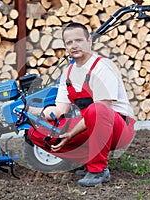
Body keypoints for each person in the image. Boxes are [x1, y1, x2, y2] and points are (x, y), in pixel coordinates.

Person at [26, 22, 135, 187]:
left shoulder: (102, 67)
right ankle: (87, 160)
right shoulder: (68, 73)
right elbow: (60, 109)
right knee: (36, 133)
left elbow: (102, 109)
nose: (74, 45)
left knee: (96, 110)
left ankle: (98, 170)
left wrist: (70, 134)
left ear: (89, 41)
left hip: (118, 127)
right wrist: (34, 112)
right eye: (69, 42)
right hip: (89, 125)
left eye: (78, 40)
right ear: (65, 46)